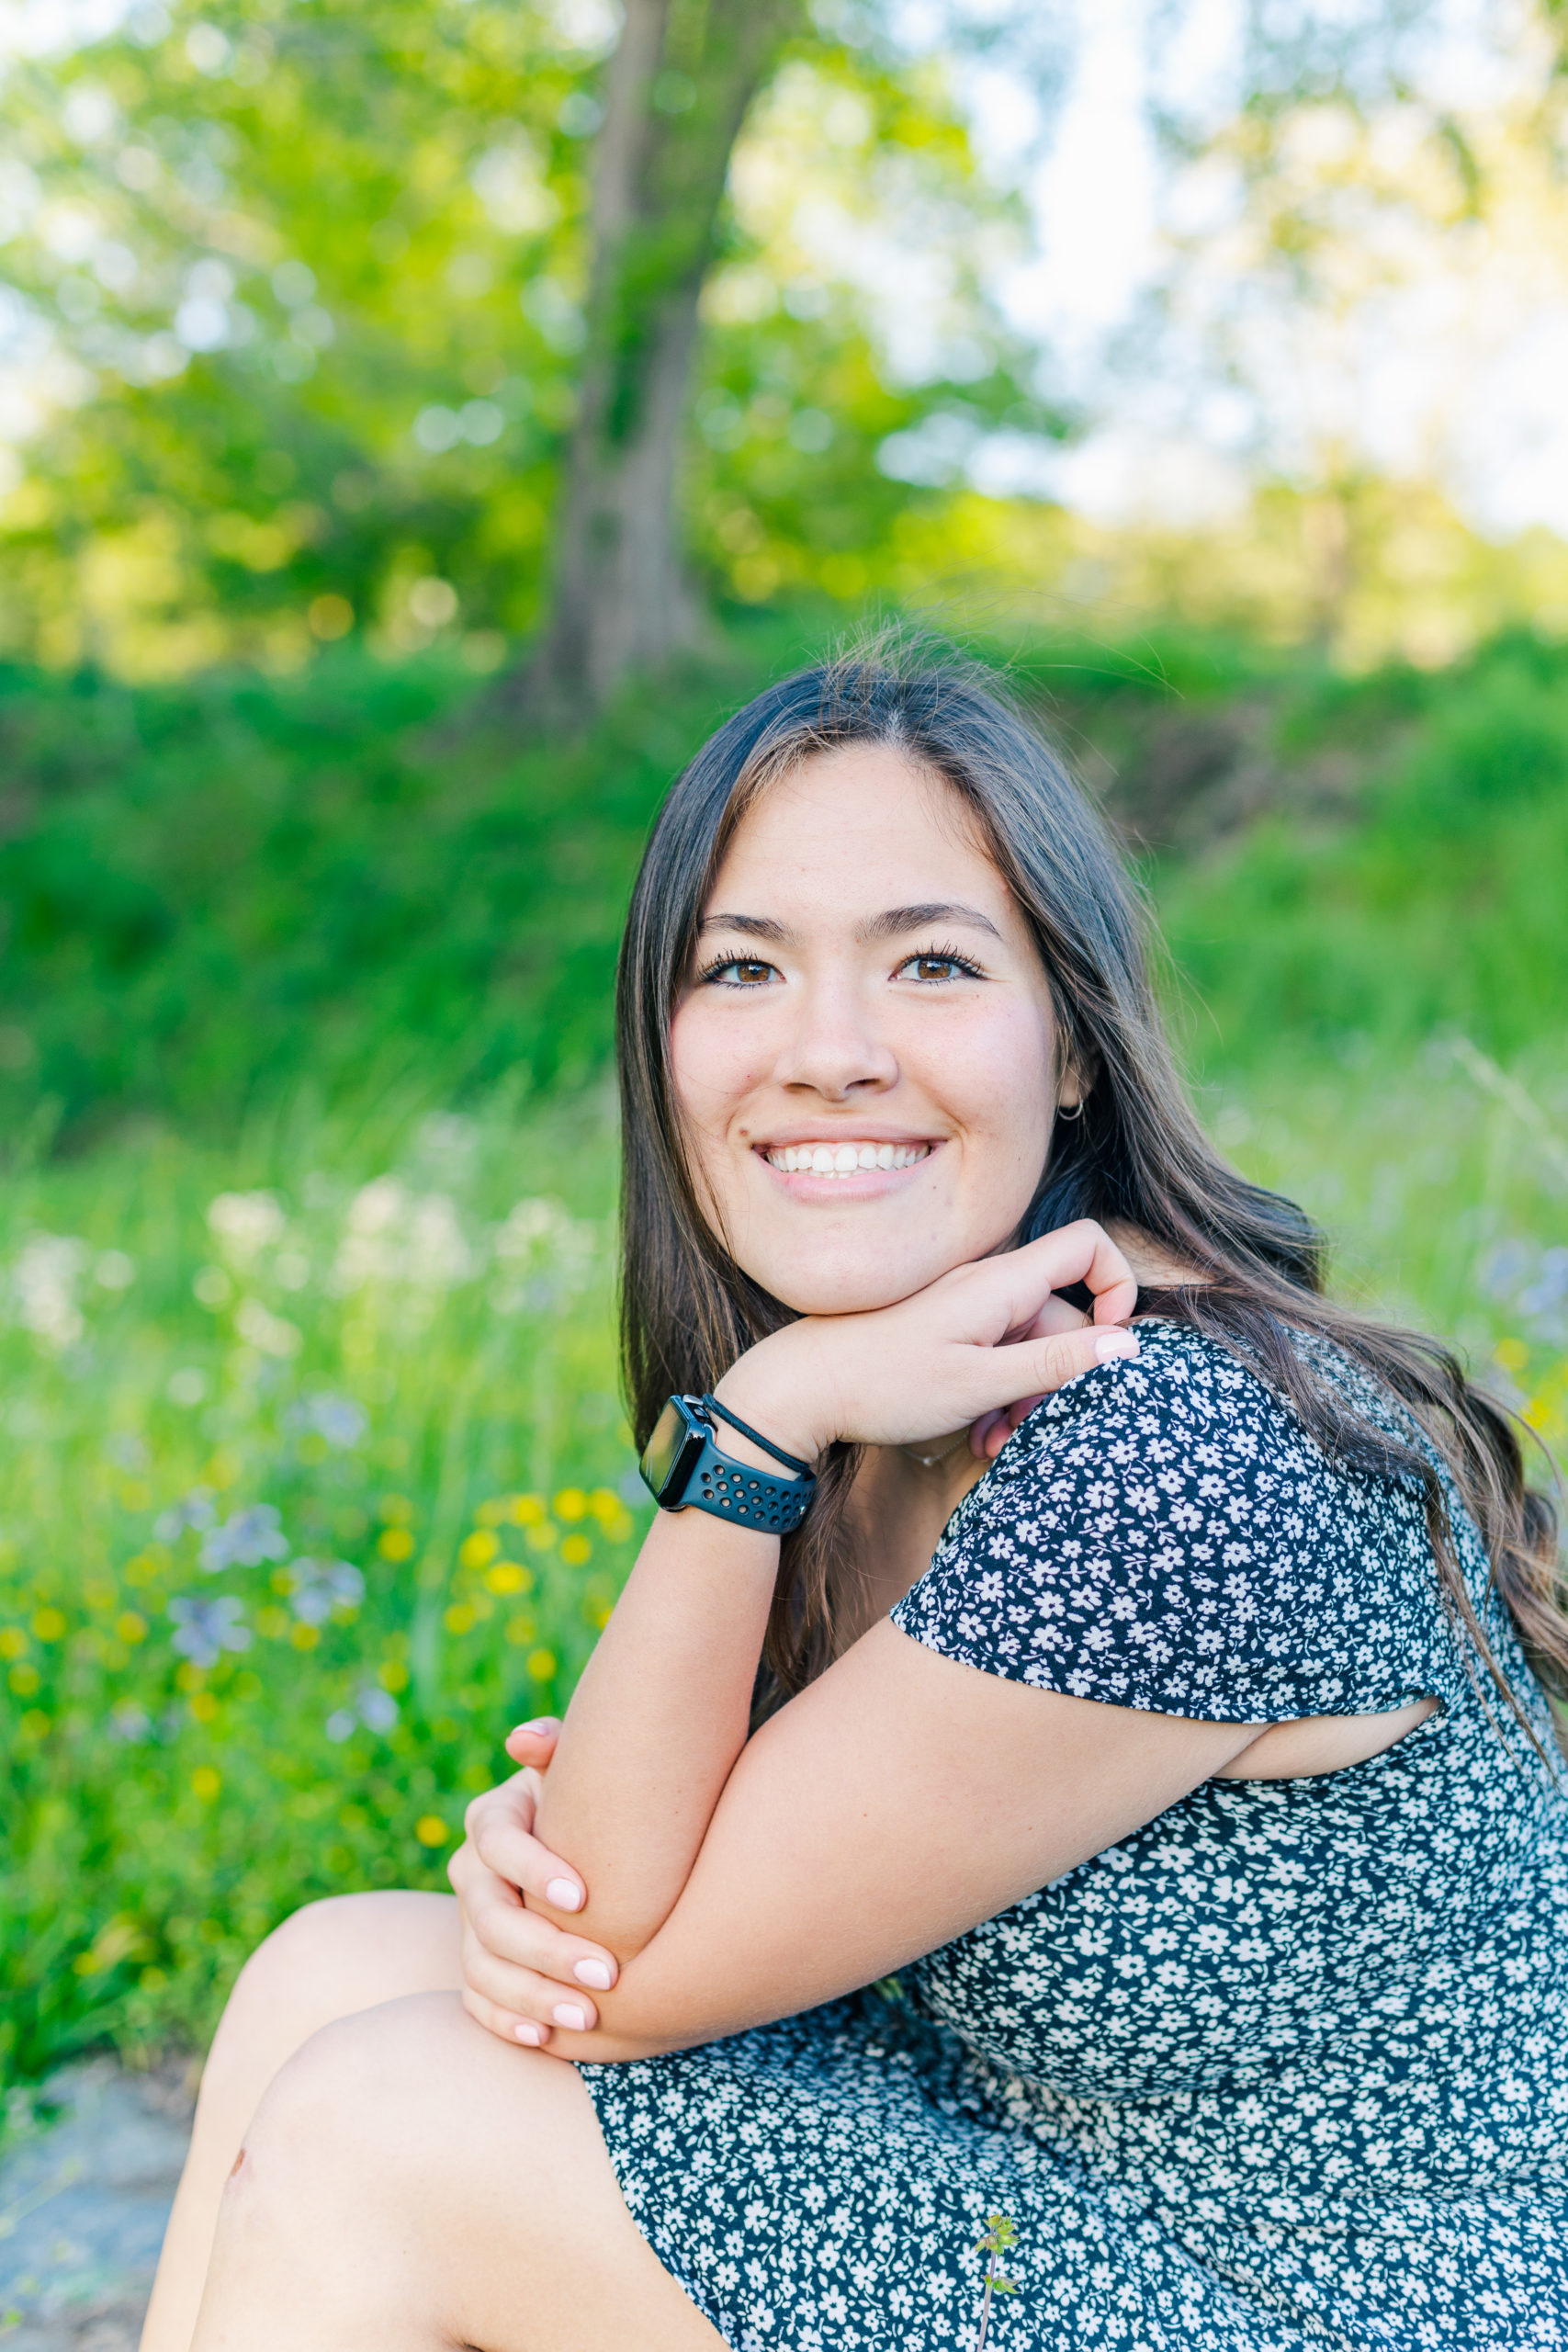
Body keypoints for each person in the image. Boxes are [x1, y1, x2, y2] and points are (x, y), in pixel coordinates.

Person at [141, 650, 1567, 2352]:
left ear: (1070, 1052)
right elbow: (612, 1902)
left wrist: (763, 1418)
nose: (828, 1052)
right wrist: (545, 1872)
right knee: (330, 1969)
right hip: (1091, 2188)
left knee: (385, 2127)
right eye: (743, 967)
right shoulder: (919, 1380)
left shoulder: (1159, 1448)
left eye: (932, 964)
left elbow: (611, 1985)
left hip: (1336, 2303)